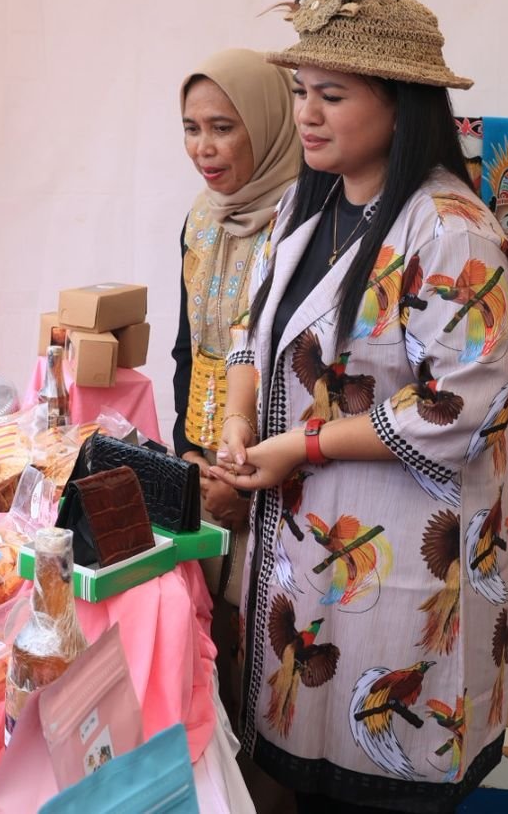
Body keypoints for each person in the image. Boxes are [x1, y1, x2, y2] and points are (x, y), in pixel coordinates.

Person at [210, 0, 508, 813]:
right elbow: (251, 331)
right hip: (304, 563)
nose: (306, 113)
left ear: (401, 104)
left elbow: (458, 404)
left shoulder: (451, 231)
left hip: (403, 573)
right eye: (301, 91)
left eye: (332, 95)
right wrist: (239, 420)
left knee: (379, 776)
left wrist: (301, 445)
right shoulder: (302, 210)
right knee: (302, 772)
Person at [171, 47, 299, 732]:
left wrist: (248, 490)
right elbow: (186, 349)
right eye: (192, 128)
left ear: (269, 123)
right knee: (207, 651)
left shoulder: (306, 224)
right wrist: (188, 460)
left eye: (223, 127)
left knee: (272, 666)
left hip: (276, 474)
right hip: (210, 463)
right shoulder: (201, 218)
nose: (204, 148)